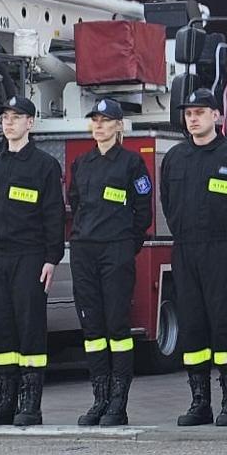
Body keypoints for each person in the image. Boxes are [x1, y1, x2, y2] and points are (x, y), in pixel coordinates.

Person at [161, 88, 227, 427]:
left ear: (216, 116)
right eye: (189, 114)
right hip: (186, 249)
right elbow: (167, 201)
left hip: (223, 249)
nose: (193, 119)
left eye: (200, 112)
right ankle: (199, 402)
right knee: (192, 326)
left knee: (223, 324)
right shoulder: (176, 158)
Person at [0, 96, 65, 428]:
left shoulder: (44, 166)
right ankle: (5, 400)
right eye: (5, 117)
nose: (8, 122)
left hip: (29, 258)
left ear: (31, 123)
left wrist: (52, 258)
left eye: (16, 117)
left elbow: (54, 215)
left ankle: (30, 403)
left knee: (29, 330)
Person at [68, 97, 154, 427]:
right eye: (95, 120)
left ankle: (119, 403)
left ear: (119, 126)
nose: (99, 125)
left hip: (116, 251)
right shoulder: (83, 163)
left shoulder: (131, 164)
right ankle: (99, 400)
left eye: (106, 120)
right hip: (84, 250)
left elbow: (142, 211)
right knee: (92, 329)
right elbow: (76, 203)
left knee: (116, 327)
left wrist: (125, 245)